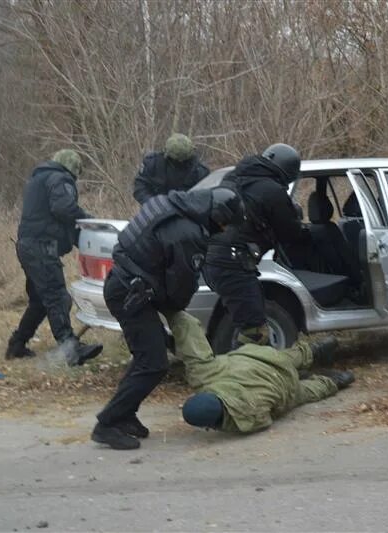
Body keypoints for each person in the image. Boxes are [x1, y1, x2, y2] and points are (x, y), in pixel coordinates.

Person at [92, 187, 244, 450]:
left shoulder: (172, 202)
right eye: (223, 223)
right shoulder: (189, 234)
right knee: (153, 363)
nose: (222, 229)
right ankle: (107, 424)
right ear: (216, 215)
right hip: (131, 295)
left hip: (125, 284)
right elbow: (180, 287)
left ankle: (125, 415)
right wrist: (176, 314)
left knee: (147, 358)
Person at [166, 311, 354, 434]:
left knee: (309, 391)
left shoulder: (247, 415)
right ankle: (316, 349)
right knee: (292, 356)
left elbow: (266, 419)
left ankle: (337, 380)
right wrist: (171, 311)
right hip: (260, 358)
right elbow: (190, 336)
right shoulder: (203, 374)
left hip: (284, 385)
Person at [204, 143, 311, 347]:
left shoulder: (231, 179)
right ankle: (253, 370)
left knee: (244, 317)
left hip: (211, 259)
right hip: (234, 263)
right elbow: (290, 232)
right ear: (286, 172)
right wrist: (301, 228)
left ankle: (245, 363)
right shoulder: (272, 190)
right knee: (254, 327)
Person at [7, 149, 103, 366]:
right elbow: (63, 209)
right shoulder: (60, 178)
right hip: (41, 247)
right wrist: (89, 221)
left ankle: (17, 345)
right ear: (73, 169)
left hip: (28, 245)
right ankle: (70, 348)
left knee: (40, 301)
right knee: (57, 296)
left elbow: (56, 217)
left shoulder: (39, 179)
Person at [133, 133, 210, 204]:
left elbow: (205, 196)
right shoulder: (153, 164)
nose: (181, 162)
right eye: (178, 160)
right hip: (156, 210)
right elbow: (140, 187)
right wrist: (153, 203)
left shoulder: (200, 171)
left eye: (184, 160)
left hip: (187, 212)